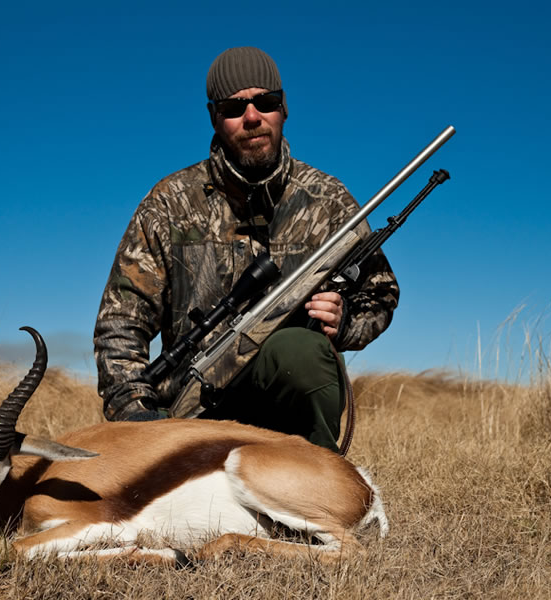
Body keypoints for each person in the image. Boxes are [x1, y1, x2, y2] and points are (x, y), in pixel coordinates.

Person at [93, 47, 398, 451]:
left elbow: (380, 292)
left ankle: (314, 476)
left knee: (302, 352)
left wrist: (344, 323)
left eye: (265, 102)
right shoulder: (169, 203)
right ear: (214, 117)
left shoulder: (327, 200)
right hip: (189, 414)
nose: (252, 117)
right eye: (234, 107)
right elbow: (120, 323)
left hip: (284, 410)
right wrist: (136, 419)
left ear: (283, 107)